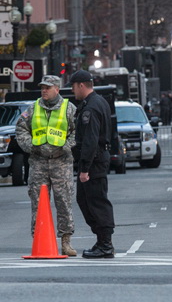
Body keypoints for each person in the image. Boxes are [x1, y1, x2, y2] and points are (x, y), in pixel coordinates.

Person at [15, 75, 77, 256]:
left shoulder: (69, 109)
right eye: (42, 87)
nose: (44, 91)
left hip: (61, 162)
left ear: (57, 89)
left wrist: (65, 147)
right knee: (38, 203)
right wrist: (31, 146)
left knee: (64, 202)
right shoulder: (33, 109)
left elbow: (76, 132)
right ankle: (39, 239)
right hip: (38, 162)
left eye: (48, 88)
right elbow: (21, 129)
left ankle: (66, 241)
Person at [70, 70, 115, 259]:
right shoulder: (99, 101)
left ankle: (105, 244)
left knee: (96, 202)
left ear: (81, 85)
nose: (73, 92)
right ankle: (102, 241)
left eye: (73, 87)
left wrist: (85, 169)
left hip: (93, 161)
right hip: (96, 158)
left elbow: (90, 140)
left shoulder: (90, 108)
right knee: (85, 200)